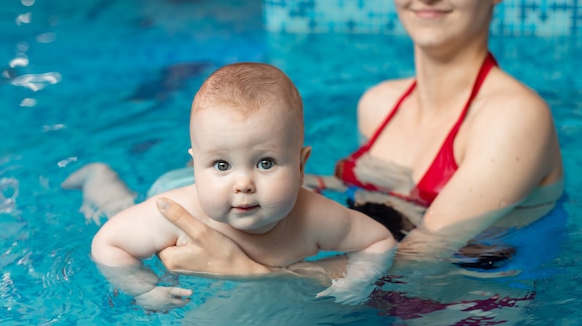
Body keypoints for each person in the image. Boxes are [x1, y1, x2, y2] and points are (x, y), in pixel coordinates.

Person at [155, 0, 564, 278]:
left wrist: (253, 272)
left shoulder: (514, 116)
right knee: (176, 187)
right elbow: (376, 196)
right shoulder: (378, 103)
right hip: (363, 281)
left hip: (468, 302)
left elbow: (423, 258)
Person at [76, 62, 396, 312]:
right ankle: (99, 178)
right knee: (117, 209)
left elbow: (378, 241)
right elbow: (108, 244)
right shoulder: (173, 214)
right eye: (221, 165)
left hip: (216, 185)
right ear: (199, 163)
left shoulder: (315, 217)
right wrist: (144, 288)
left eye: (265, 163)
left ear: (300, 165)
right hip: (177, 188)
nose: (243, 184)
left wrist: (357, 281)